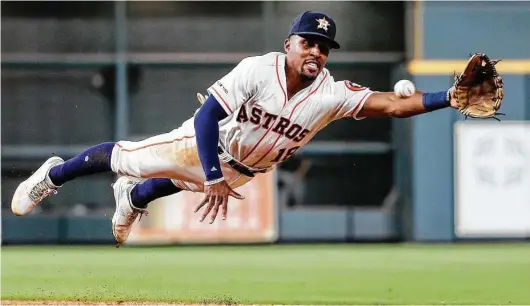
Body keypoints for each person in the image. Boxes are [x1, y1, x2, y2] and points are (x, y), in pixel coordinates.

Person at [11, 11, 458, 246]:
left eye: (324, 47)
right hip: (202, 146)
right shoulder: (257, 70)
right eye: (308, 42)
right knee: (126, 157)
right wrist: (211, 173)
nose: (316, 52)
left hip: (245, 169)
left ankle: (131, 197)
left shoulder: (332, 93)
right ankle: (52, 175)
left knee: (175, 186)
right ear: (289, 44)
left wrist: (449, 98)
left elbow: (393, 105)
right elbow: (208, 117)